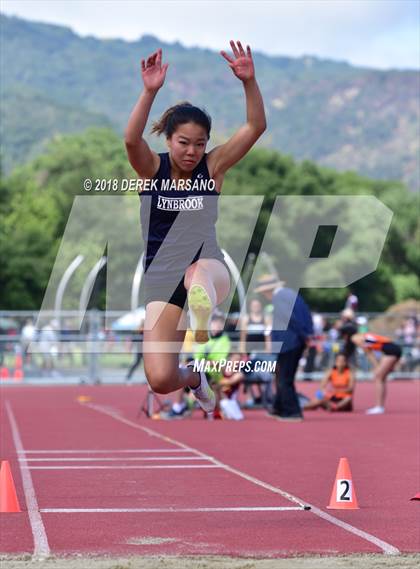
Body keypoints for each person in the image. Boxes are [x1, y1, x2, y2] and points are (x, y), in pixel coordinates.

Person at [125, 41, 266, 415]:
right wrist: (149, 91)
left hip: (208, 266)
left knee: (195, 271)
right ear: (168, 140)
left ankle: (201, 315)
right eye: (184, 143)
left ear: (207, 145)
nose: (191, 151)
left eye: (199, 144)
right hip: (162, 278)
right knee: (159, 378)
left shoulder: (213, 168)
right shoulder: (150, 170)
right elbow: (130, 139)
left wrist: (248, 82)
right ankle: (194, 378)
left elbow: (255, 126)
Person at [255, 275, 313, 421]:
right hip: (294, 341)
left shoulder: (279, 297)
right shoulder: (290, 294)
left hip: (288, 343)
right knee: (283, 376)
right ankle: (278, 408)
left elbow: (290, 318)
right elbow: (305, 315)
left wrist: (304, 335)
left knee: (284, 379)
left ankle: (292, 412)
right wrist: (307, 334)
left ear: (268, 290)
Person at [351, 332, 402, 414]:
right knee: (381, 378)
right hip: (391, 349)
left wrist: (376, 367)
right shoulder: (365, 336)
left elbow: (369, 353)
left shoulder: (356, 339)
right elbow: (376, 346)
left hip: (391, 351)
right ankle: (380, 406)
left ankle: (379, 406)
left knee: (378, 377)